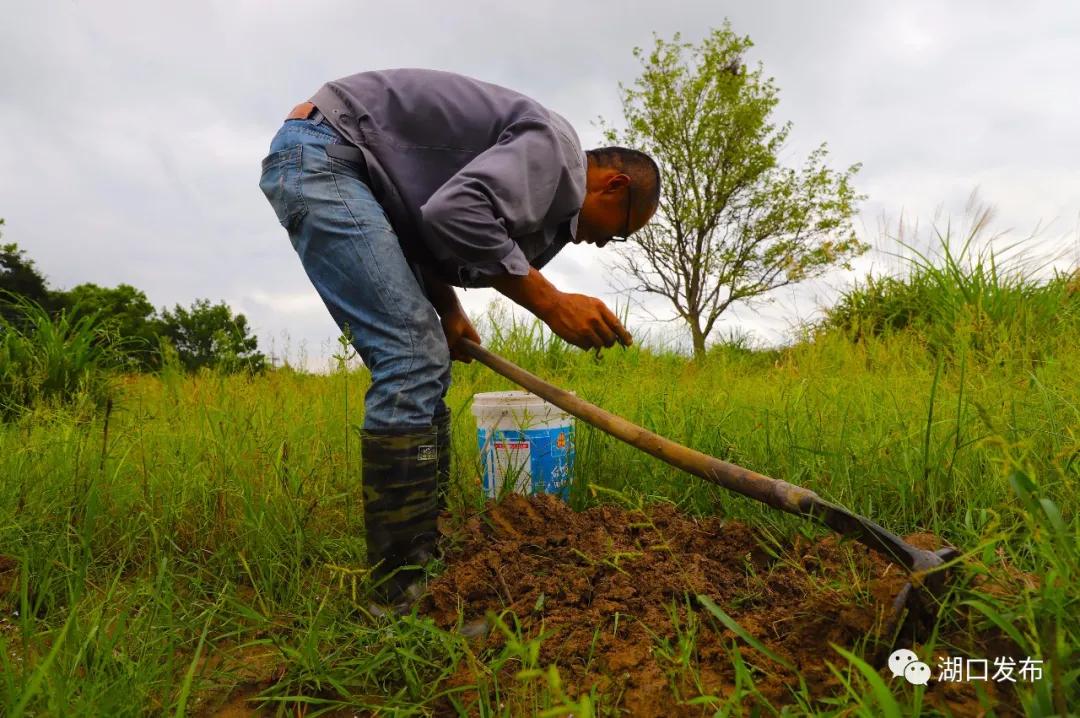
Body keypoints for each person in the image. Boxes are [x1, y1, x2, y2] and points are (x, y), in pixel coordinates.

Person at [258, 68, 661, 613]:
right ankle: (399, 596)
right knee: (409, 357)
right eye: (619, 229)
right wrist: (549, 302)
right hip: (327, 154)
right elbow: (456, 212)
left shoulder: (546, 174)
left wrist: (446, 307)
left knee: (424, 357)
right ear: (615, 186)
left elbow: (424, 226)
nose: (606, 241)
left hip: (342, 163)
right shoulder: (557, 154)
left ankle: (423, 557)